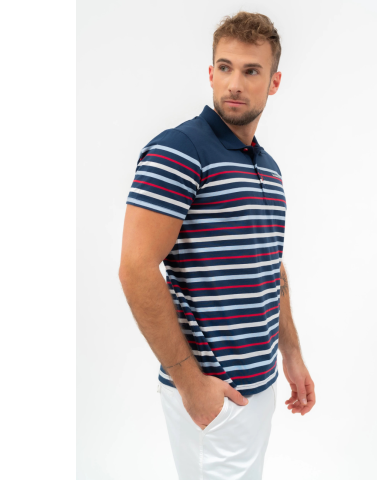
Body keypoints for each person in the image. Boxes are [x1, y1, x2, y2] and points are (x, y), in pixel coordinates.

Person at [119, 11, 316, 479]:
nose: (235, 83)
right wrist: (191, 385)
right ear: (211, 72)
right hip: (214, 391)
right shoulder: (179, 150)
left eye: (251, 71)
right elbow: (136, 268)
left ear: (274, 82)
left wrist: (291, 353)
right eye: (225, 67)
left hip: (260, 385)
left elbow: (269, 266)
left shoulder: (267, 167)